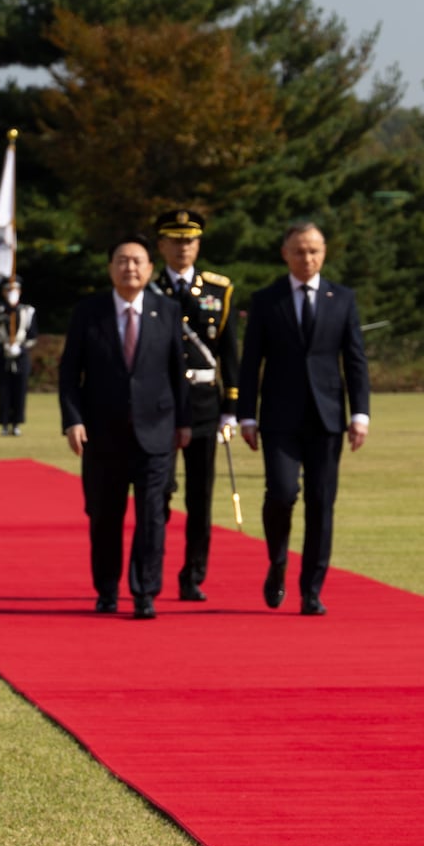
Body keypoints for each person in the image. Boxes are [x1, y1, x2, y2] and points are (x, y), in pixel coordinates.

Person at [237, 222, 370, 617]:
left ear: (324, 252)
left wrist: (360, 413)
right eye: (299, 251)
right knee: (281, 492)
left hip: (327, 417)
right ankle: (278, 560)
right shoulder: (266, 300)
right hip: (279, 416)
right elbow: (250, 363)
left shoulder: (342, 298)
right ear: (285, 254)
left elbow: (356, 360)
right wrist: (247, 414)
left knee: (320, 503)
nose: (307, 258)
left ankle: (311, 589)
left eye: (313, 251)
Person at [59, 234, 191, 620]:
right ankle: (106, 590)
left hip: (156, 433)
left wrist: (183, 422)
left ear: (150, 268)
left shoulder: (167, 310)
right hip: (102, 434)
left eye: (137, 261)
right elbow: (70, 374)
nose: (129, 267)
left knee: (152, 516)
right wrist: (73, 420)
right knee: (104, 516)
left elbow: (176, 372)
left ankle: (145, 592)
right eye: (122, 260)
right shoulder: (89, 312)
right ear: (110, 268)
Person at [150, 208, 238, 601]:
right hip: (162, 405)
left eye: (190, 240)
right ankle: (151, 570)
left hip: (204, 403)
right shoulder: (149, 291)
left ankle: (193, 575)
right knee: (159, 491)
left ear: (198, 244)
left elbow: (230, 354)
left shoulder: (219, 291)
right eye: (175, 240)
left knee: (200, 496)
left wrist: (231, 407)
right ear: (161, 245)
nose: (182, 247)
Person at [0, 278, 38, 436]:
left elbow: (32, 335)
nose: (12, 293)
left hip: (20, 354)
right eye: (8, 290)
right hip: (3, 354)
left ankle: (16, 423)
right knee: (4, 390)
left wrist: (20, 346)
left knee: (20, 390)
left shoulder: (28, 311)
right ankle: (4, 423)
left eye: (15, 290)